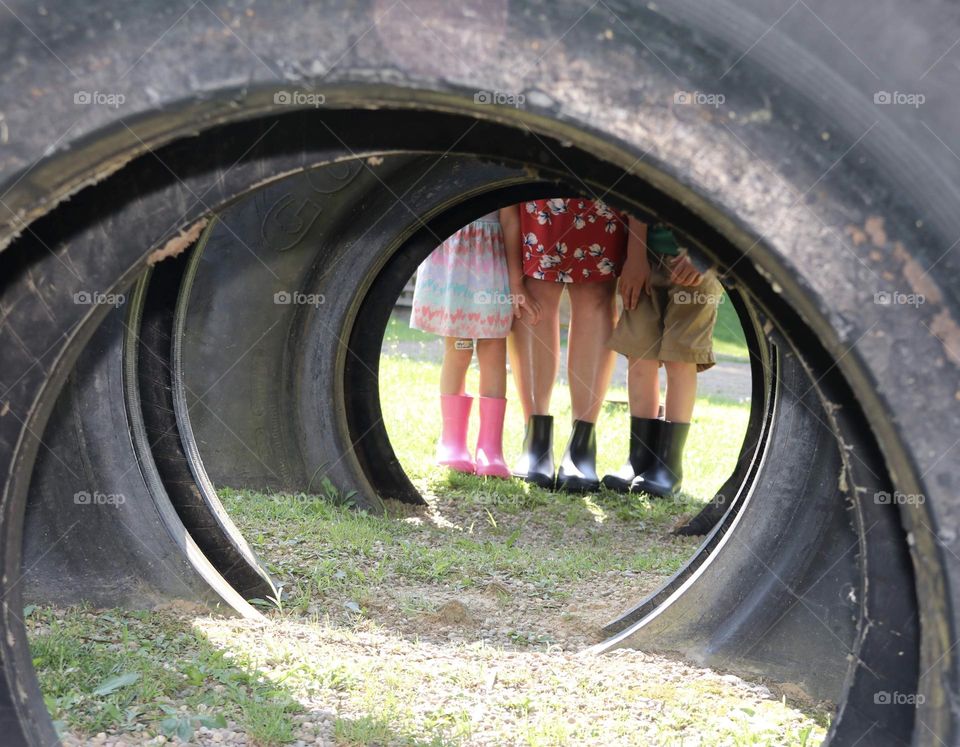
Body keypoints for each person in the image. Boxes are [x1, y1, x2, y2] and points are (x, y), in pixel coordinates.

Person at [501, 197, 627, 492]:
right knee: (536, 289)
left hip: (600, 183)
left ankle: (582, 446)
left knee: (596, 294)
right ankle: (536, 440)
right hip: (544, 181)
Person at [410, 210, 539, 478]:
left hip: (492, 257)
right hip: (453, 253)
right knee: (459, 348)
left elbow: (510, 219)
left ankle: (490, 449)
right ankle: (452, 443)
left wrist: (516, 280)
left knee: (493, 348)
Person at [602, 217, 722, 497]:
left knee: (680, 358)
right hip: (646, 258)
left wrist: (705, 254)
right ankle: (638, 459)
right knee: (639, 354)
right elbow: (637, 195)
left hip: (695, 262)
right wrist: (635, 256)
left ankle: (668, 465)